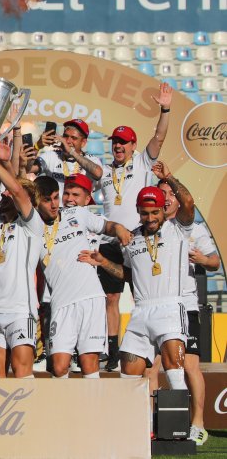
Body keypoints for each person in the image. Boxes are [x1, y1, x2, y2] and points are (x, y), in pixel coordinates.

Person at [82, 164, 194, 403]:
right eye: (145, 213)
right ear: (138, 211)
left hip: (170, 309)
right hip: (141, 312)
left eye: (155, 212)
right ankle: (136, 432)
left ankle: (180, 433)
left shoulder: (178, 229)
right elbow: (128, 275)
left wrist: (169, 178)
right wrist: (102, 262)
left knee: (174, 369)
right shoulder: (131, 240)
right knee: (128, 375)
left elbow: (189, 203)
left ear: (163, 210)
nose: (150, 218)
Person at [95, 82, 172, 370]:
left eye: (124, 142)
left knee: (141, 294)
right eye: (115, 141)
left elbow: (160, 136)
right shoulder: (104, 171)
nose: (118, 146)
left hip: (139, 238)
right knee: (110, 297)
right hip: (112, 240)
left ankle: (148, 349)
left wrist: (165, 108)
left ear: (133, 146)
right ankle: (112, 351)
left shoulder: (141, 163)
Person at [143, 177, 220, 445]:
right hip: (157, 309)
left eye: (169, 193)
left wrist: (201, 260)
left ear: (176, 198)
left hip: (185, 306)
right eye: (161, 193)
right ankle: (153, 422)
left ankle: (197, 423)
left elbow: (214, 262)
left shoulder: (192, 228)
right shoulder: (150, 230)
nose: (165, 198)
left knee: (189, 365)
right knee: (151, 367)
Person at [33, 175, 131, 379]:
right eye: (47, 200)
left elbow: (107, 227)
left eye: (55, 198)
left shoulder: (76, 214)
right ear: (36, 202)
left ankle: (93, 410)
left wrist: (119, 228)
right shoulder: (32, 227)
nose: (54, 205)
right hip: (61, 303)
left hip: (90, 297)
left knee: (89, 364)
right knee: (59, 367)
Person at [0, 138, 44, 378]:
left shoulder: (32, 226)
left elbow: (17, 190)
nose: (2, 198)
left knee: (22, 375)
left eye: (7, 197)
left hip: (20, 311)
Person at [33, 119, 103, 194]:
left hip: (79, 206)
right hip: (55, 205)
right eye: (65, 136)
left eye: (74, 138)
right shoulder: (52, 155)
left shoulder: (91, 159)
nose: (68, 141)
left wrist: (71, 151)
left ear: (83, 143)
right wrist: (37, 146)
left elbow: (98, 173)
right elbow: (29, 168)